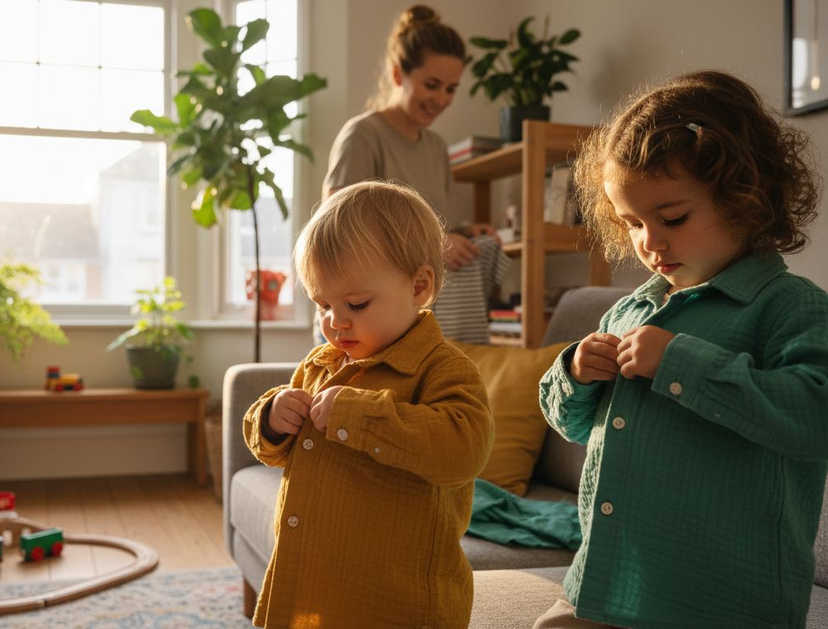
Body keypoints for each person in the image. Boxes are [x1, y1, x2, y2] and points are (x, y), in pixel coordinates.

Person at [536, 70, 828, 628]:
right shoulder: (628, 311)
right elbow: (571, 424)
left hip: (723, 607)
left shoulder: (790, 307)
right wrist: (575, 372)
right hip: (601, 591)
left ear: (745, 194)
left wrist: (682, 363)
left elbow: (815, 416)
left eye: (672, 218)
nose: (649, 242)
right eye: (632, 223)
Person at [243, 181, 494, 627]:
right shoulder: (321, 363)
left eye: (356, 303)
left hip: (399, 604)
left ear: (419, 287)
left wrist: (363, 417)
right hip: (310, 591)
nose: (335, 322)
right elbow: (276, 452)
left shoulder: (443, 368)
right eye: (322, 304)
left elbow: (465, 450)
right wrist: (272, 418)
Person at [321, 4, 508, 344]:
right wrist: (437, 246)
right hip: (361, 316)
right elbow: (337, 230)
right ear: (397, 76)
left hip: (412, 311)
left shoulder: (436, 147)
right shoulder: (363, 135)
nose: (441, 98)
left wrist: (465, 233)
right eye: (432, 84)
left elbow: (433, 223)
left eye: (451, 89)